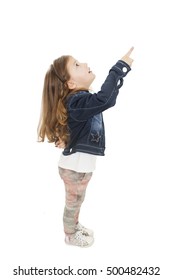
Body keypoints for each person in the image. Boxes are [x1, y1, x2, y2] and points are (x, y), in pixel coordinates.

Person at [37, 47, 134, 248]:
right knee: (72, 204)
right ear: (71, 83)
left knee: (78, 201)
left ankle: (74, 225)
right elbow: (105, 99)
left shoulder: (79, 102)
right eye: (77, 65)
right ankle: (70, 235)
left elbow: (107, 99)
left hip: (79, 168)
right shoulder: (77, 102)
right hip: (75, 169)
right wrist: (119, 68)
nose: (85, 64)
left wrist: (119, 75)